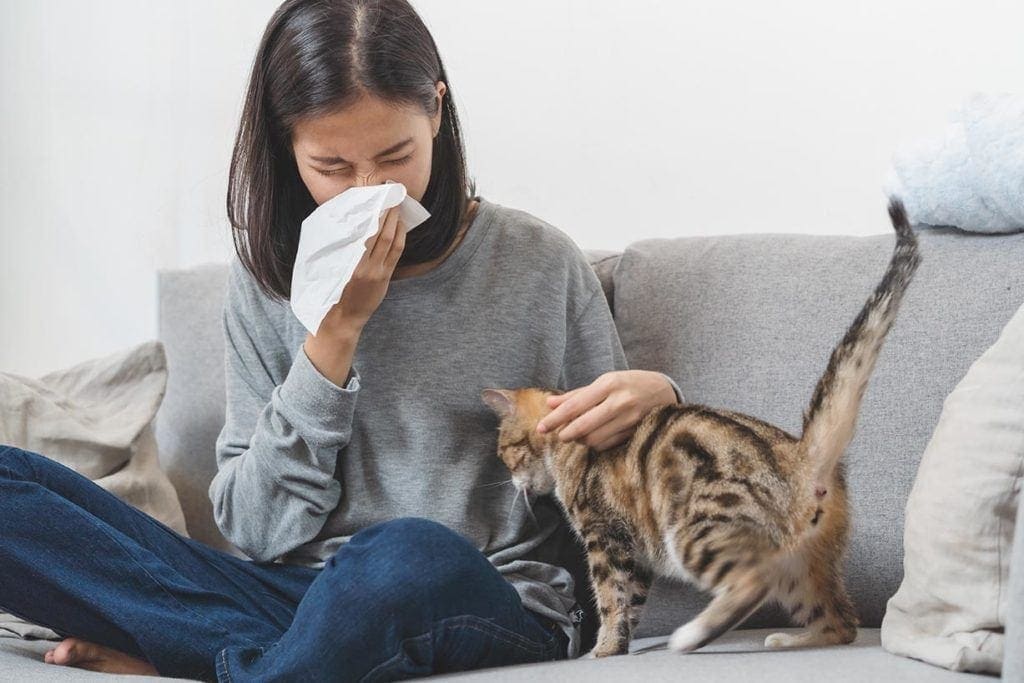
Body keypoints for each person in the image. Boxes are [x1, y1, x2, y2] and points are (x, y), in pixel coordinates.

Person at [0, 0, 682, 680]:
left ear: (436, 113)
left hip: (480, 594)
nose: (371, 191)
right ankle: (260, 658)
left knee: (406, 552)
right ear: (286, 146)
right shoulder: (267, 285)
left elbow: (620, 505)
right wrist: (334, 336)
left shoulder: (538, 262)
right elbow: (257, 530)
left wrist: (659, 402)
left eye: (396, 156)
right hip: (294, 598)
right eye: (331, 166)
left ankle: (212, 656)